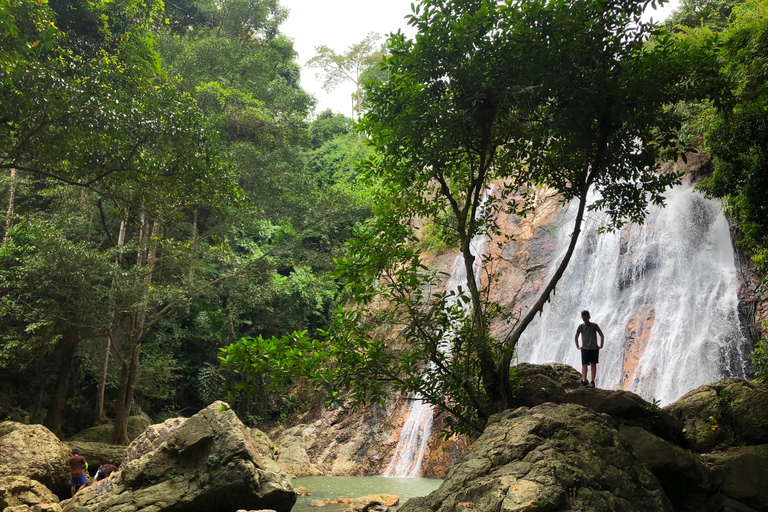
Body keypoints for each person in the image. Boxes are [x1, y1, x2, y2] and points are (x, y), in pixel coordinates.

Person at [574, 309, 604, 388]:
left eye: (586, 318)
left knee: (593, 364)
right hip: (585, 349)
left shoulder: (594, 325)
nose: (585, 320)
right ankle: (584, 380)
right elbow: (576, 337)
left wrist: (601, 345)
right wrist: (578, 346)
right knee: (584, 365)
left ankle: (592, 381)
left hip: (594, 348)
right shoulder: (580, 326)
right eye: (583, 318)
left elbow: (601, 335)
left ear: (589, 317)